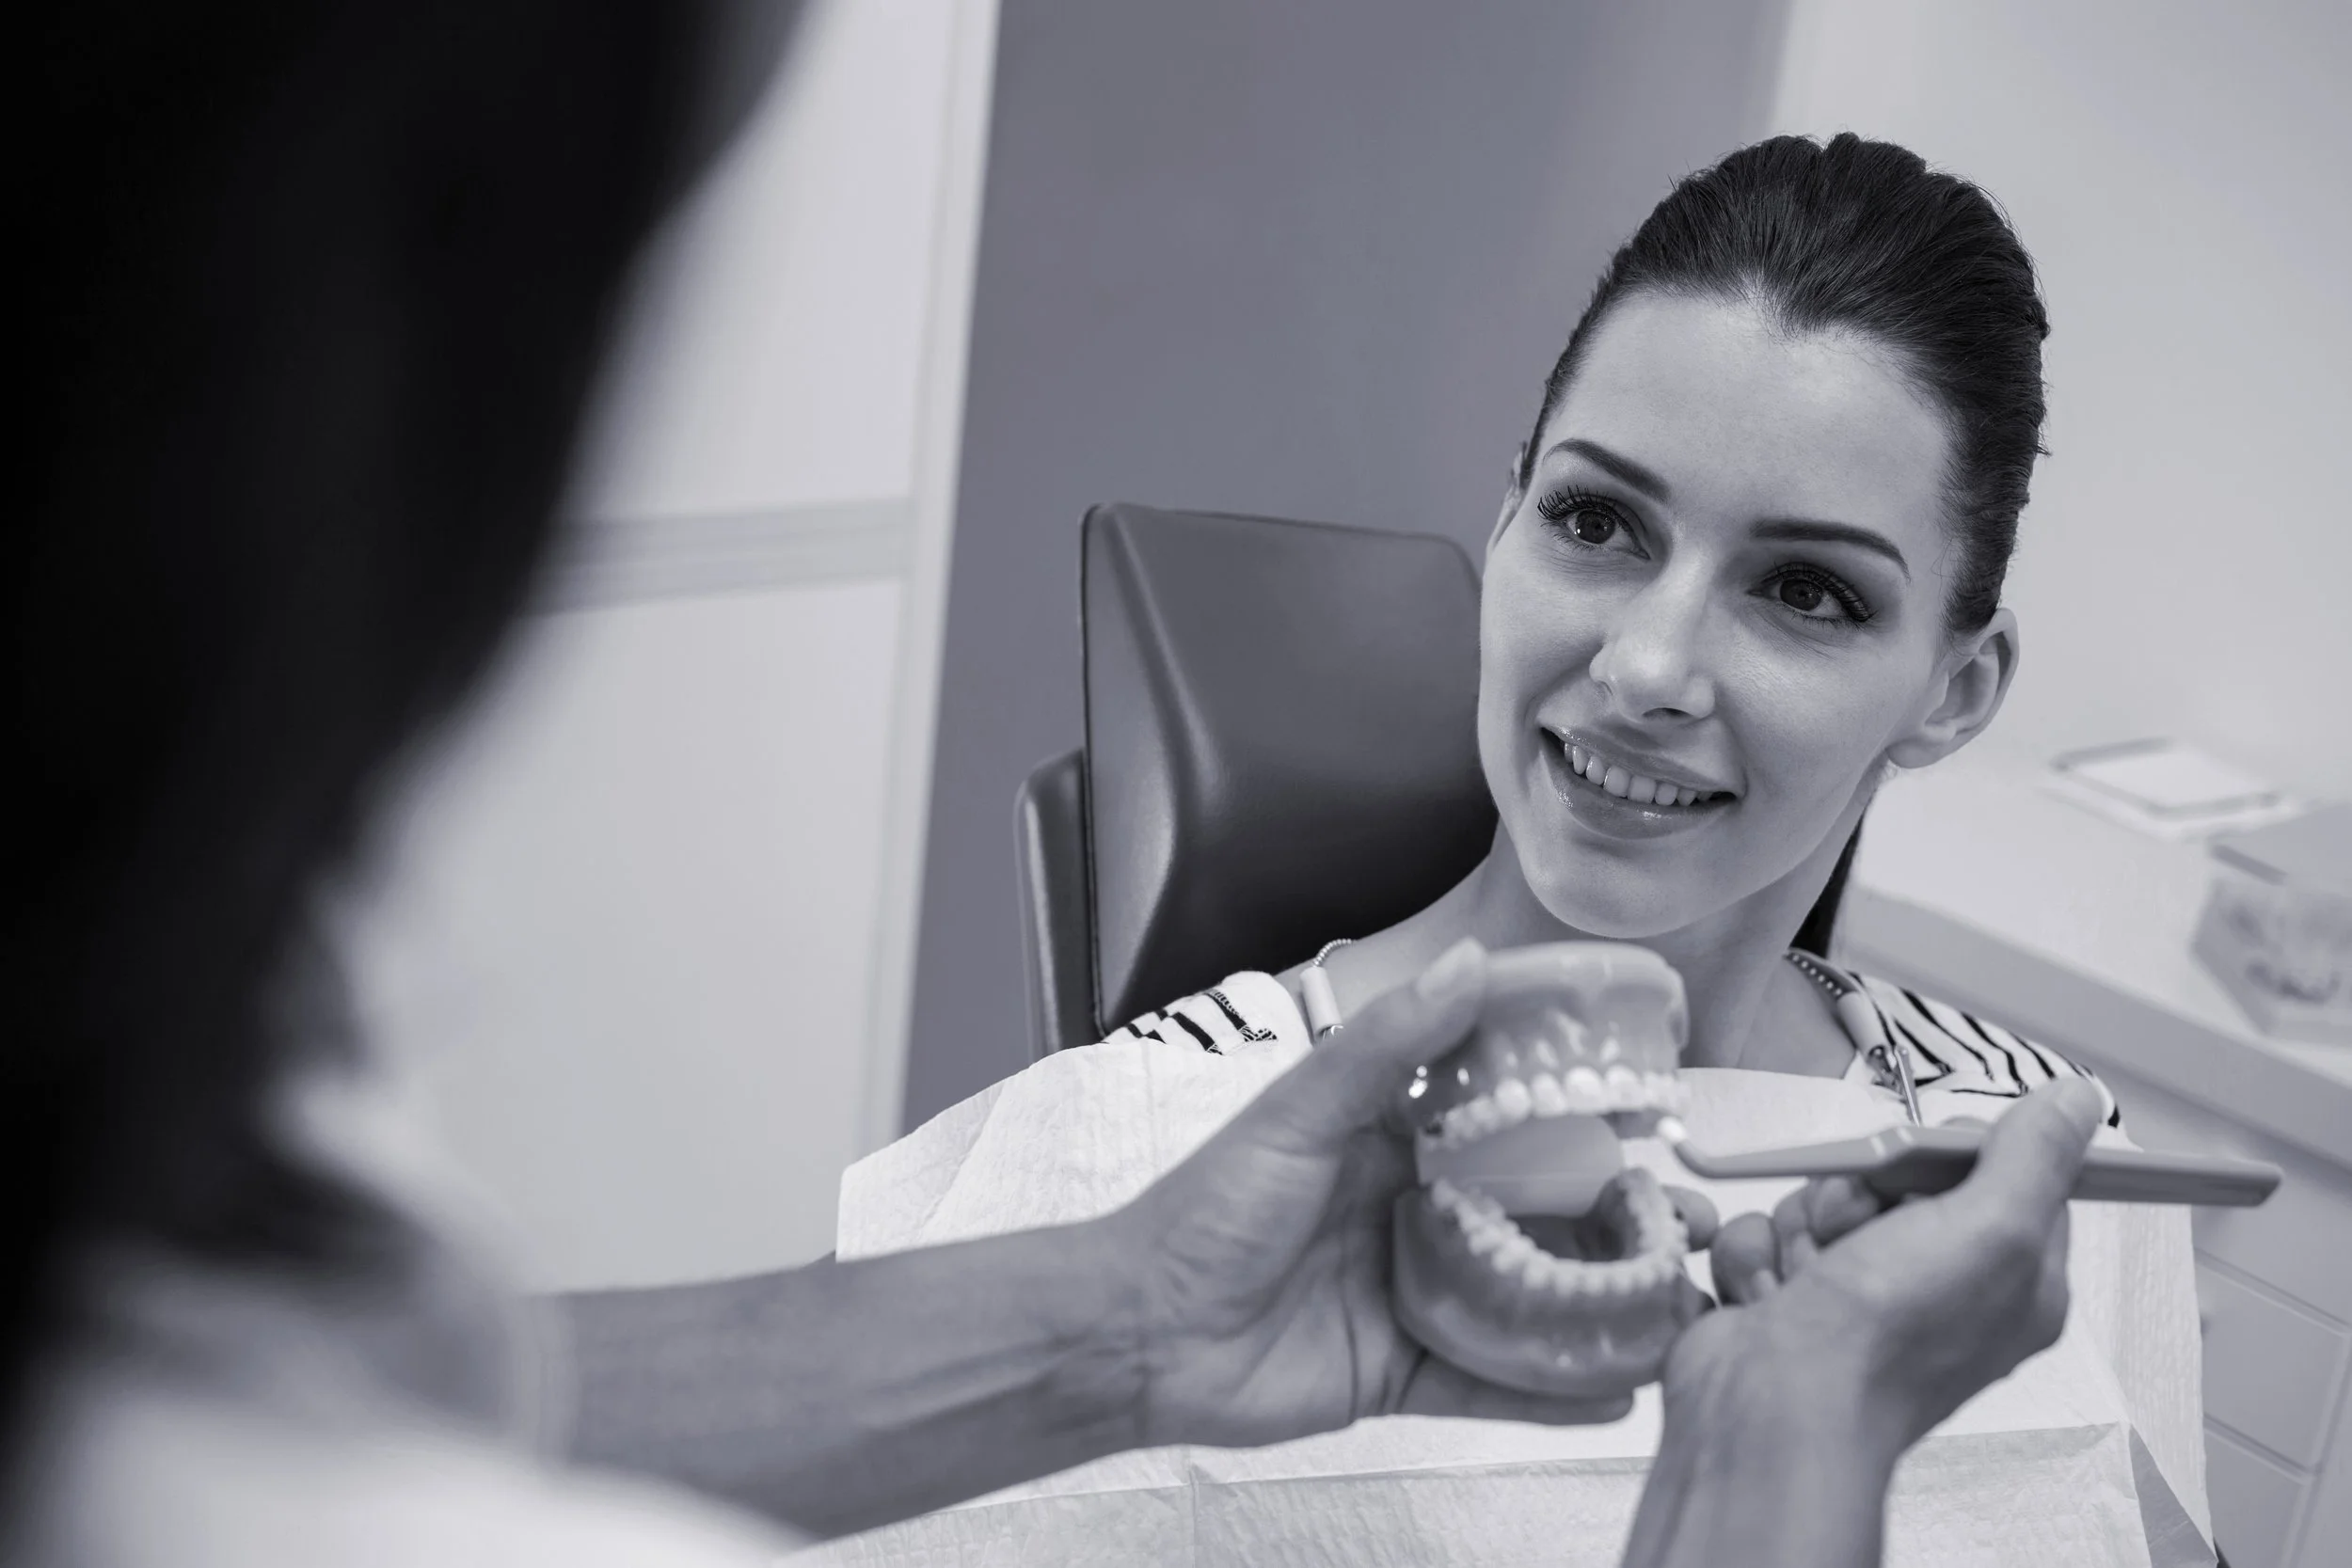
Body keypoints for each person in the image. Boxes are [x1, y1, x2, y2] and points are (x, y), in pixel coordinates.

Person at [5, 3, 2117, 1563]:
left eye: (1806, 595)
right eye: (1591, 523)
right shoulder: (1084, 1161)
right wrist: (1775, 1463)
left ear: (1956, 687)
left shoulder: (2029, 1175)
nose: (1644, 664)